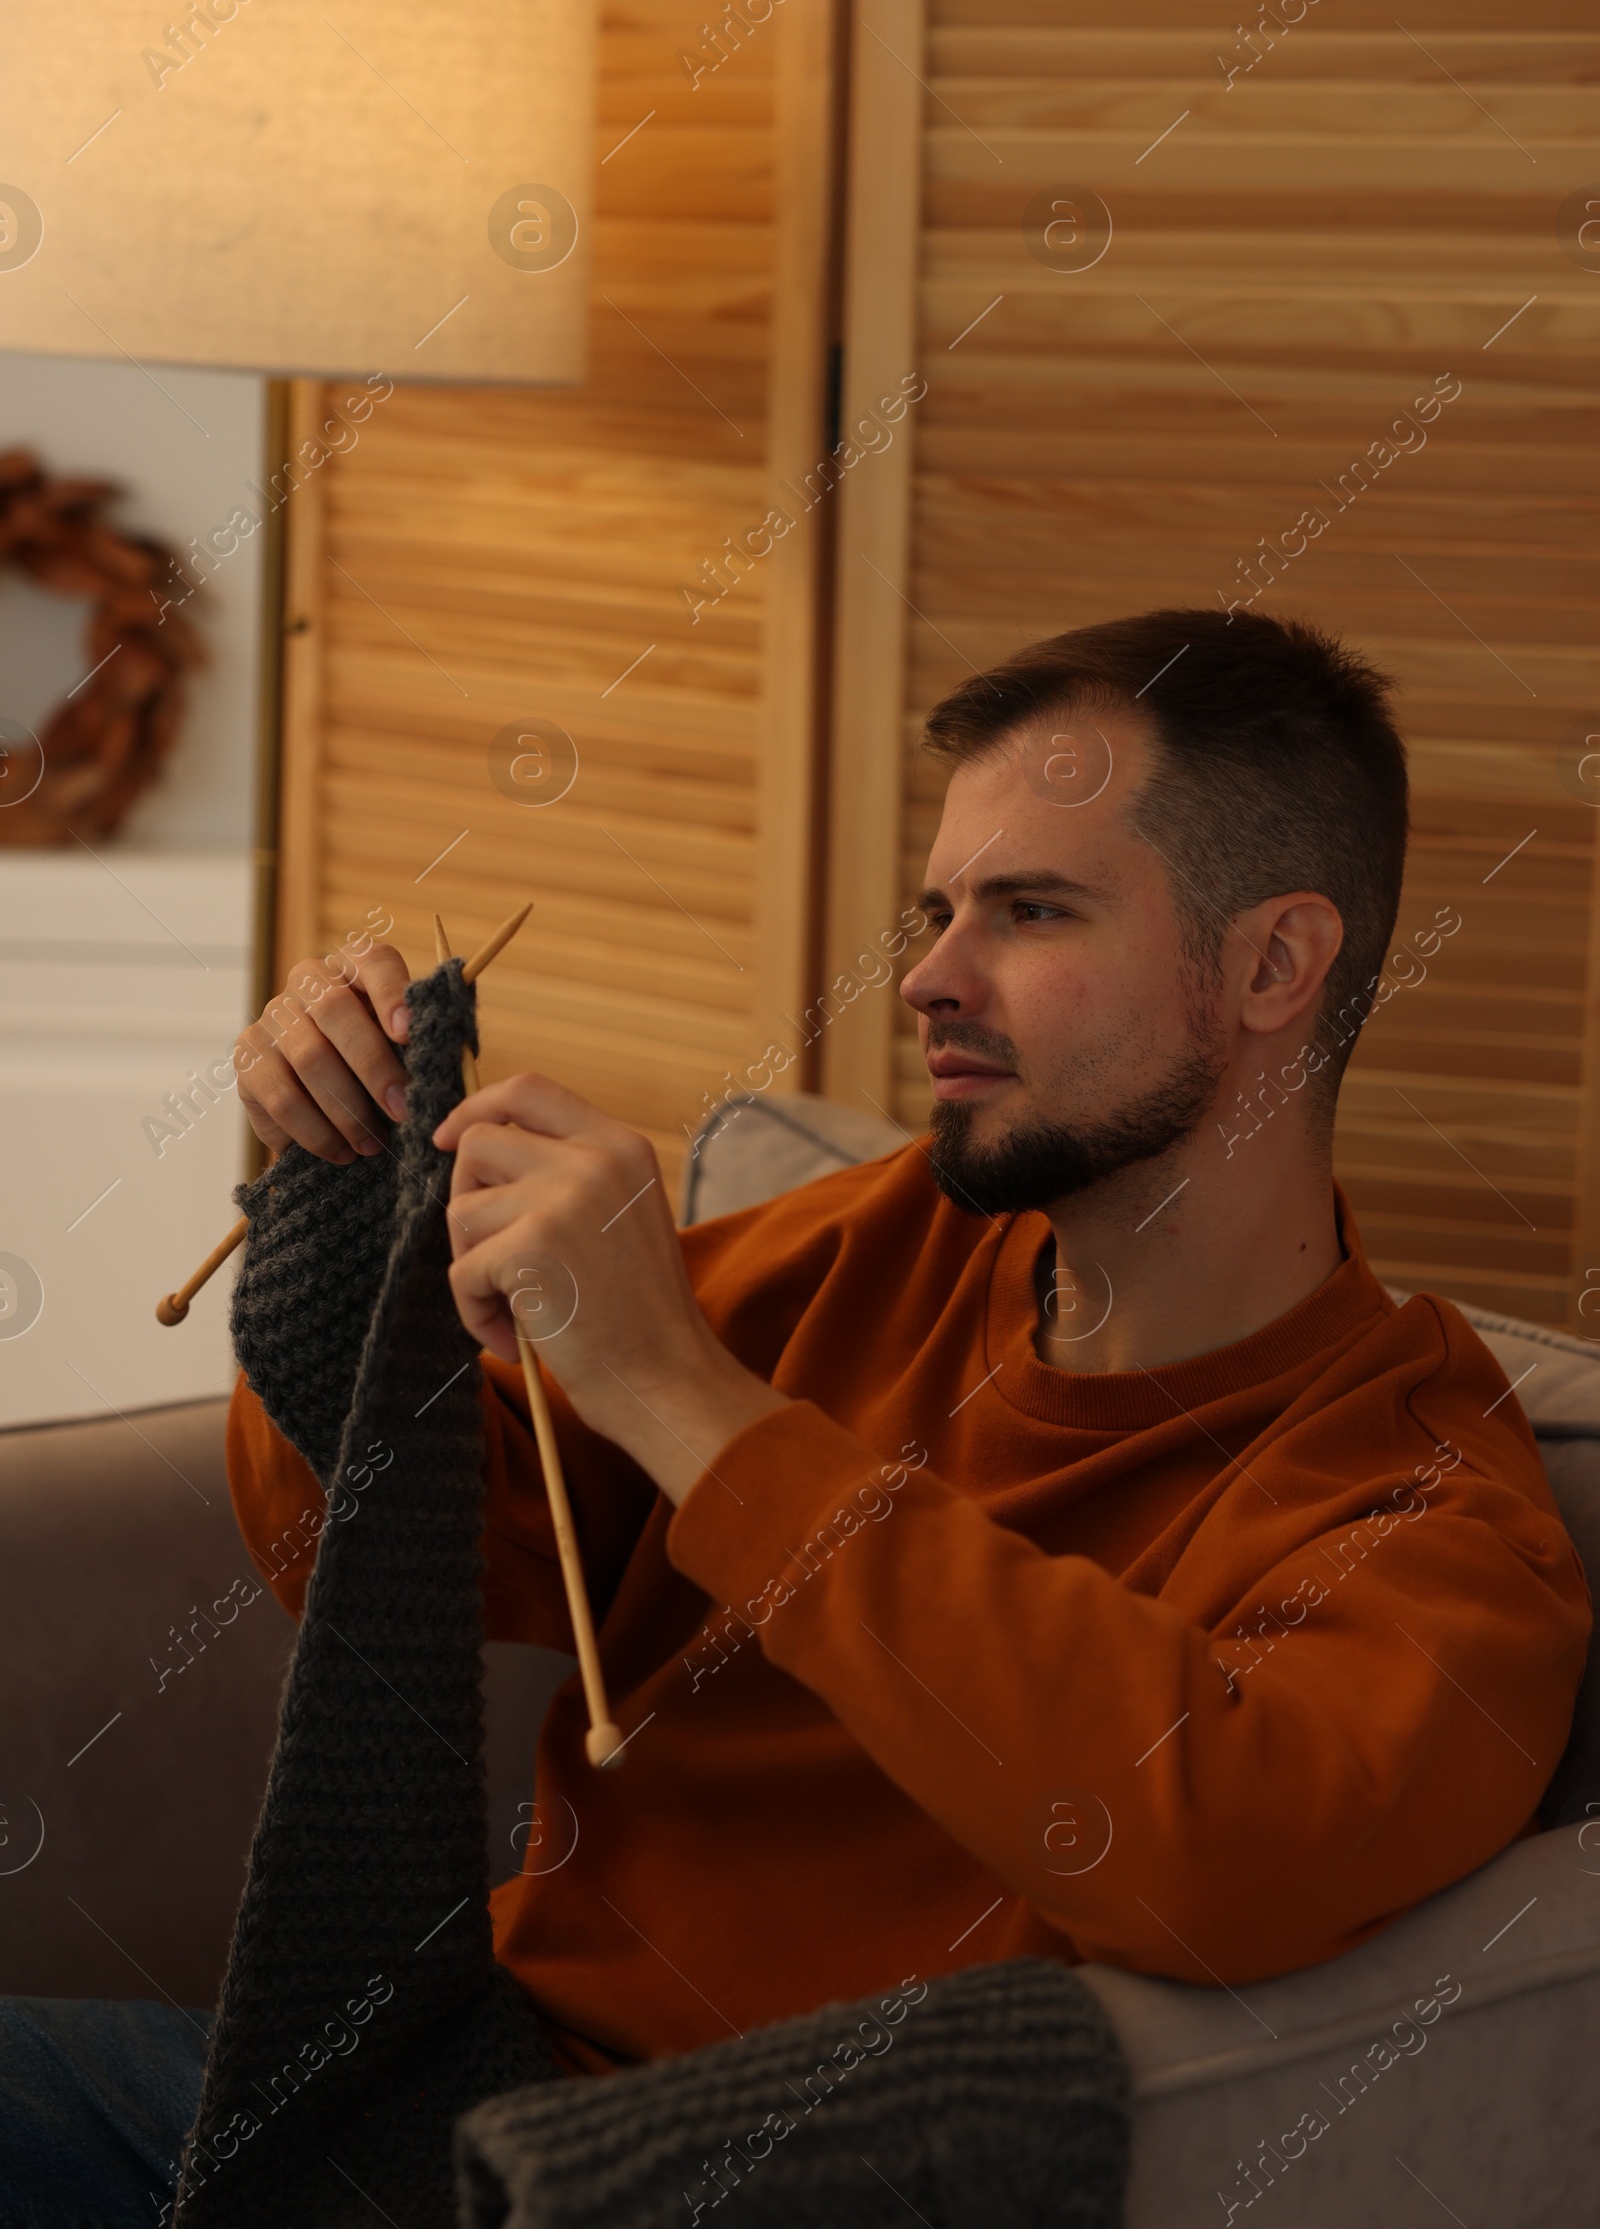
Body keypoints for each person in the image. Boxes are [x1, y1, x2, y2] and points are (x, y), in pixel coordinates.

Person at [11, 608, 1588, 2219]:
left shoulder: (1428, 1500)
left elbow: (1215, 1863)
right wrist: (338, 1211)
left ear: (1272, 965)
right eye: (938, 911)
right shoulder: (885, 1238)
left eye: (1029, 911)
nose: (929, 980)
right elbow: (378, 1555)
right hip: (442, 2090)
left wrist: (681, 1392)